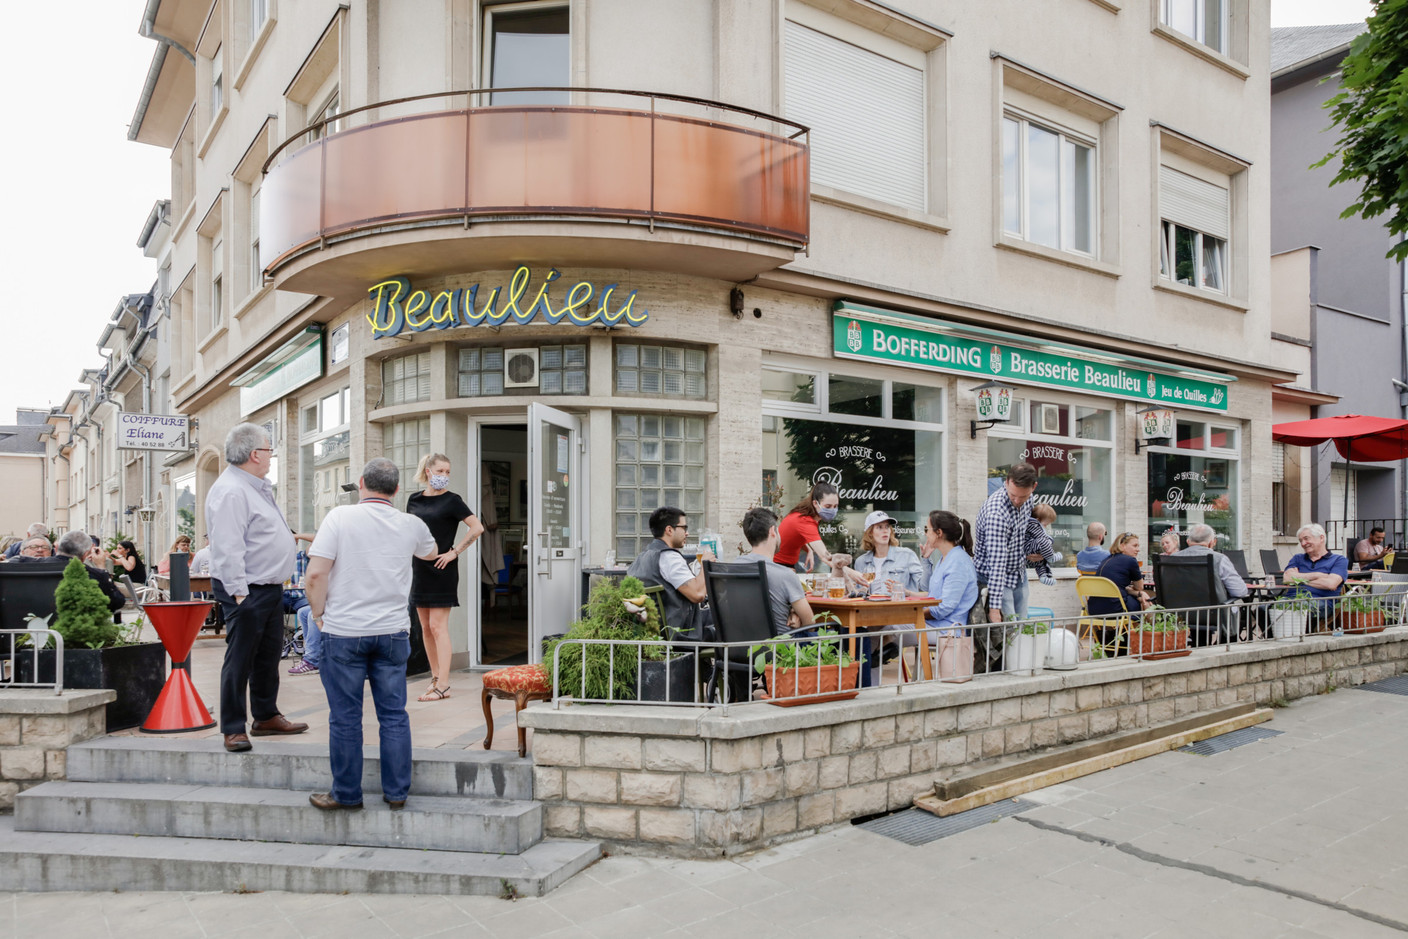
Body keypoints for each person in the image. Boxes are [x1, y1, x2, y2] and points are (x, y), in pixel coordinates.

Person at [304, 457, 440, 811]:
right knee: (394, 714)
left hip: (344, 630)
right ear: (396, 490)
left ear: (361, 483)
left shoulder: (338, 517)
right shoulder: (411, 523)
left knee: (345, 716)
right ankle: (396, 793)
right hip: (392, 632)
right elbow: (431, 553)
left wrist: (318, 615)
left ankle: (347, 794)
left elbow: (316, 575)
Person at [206, 422, 305, 754]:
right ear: (254, 454)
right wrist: (238, 594)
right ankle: (233, 727)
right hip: (245, 588)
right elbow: (227, 546)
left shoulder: (256, 486)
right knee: (240, 659)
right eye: (268, 450)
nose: (271, 456)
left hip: (269, 587)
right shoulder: (232, 490)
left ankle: (265, 716)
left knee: (267, 656)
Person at [406, 453, 484, 702]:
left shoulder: (453, 500)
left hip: (442, 568)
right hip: (419, 568)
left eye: (448, 472)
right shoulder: (413, 500)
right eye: (440, 471)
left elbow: (477, 527)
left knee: (439, 627)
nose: (445, 476)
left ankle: (445, 685)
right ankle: (435, 679)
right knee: (426, 628)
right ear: (428, 472)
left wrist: (454, 553)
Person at [627, 506, 715, 639]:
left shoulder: (641, 558)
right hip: (681, 632)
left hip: (655, 632)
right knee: (728, 617)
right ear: (669, 530)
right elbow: (697, 595)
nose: (687, 533)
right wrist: (705, 565)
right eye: (684, 528)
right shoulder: (669, 558)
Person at [973, 462, 1044, 623]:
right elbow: (997, 564)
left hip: (1018, 573)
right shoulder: (996, 513)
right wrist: (994, 608)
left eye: (1023, 496)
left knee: (1021, 627)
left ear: (1034, 487)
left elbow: (1023, 532)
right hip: (994, 577)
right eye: (1013, 495)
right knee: (1008, 632)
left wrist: (1034, 550)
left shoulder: (1029, 499)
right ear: (1006, 483)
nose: (1018, 500)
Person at [727, 507, 814, 636]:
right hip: (781, 651)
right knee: (840, 635)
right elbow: (810, 624)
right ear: (773, 531)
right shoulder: (785, 574)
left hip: (739, 649)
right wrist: (797, 615)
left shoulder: (732, 568)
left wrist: (791, 611)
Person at [923, 510, 979, 633]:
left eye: (927, 529)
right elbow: (932, 595)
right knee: (885, 627)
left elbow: (945, 607)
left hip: (946, 629)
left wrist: (915, 615)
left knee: (891, 627)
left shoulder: (957, 562)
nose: (926, 534)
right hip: (933, 624)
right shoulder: (946, 559)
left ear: (939, 533)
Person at [851, 511, 927, 598]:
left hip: (902, 609)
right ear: (870, 533)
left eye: (887, 527)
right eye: (879, 527)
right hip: (870, 609)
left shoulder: (907, 555)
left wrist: (926, 559)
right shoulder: (861, 561)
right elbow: (859, 594)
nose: (885, 531)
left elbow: (924, 587)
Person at [52, 530, 127, 613]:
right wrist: (101, 568)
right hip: (80, 622)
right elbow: (116, 602)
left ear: (56, 548)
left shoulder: (37, 566)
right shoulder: (93, 574)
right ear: (85, 554)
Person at [773, 482, 841, 572]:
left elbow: (794, 534)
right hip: (778, 566)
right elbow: (825, 556)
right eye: (828, 506)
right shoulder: (805, 521)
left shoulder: (801, 515)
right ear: (816, 503)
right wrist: (852, 573)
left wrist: (809, 549)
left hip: (783, 565)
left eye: (835, 506)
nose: (832, 510)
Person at [1283, 523, 1348, 613]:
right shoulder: (1297, 558)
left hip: (1320, 602)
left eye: (1306, 539)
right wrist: (1317, 575)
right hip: (1291, 599)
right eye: (1300, 540)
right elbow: (1286, 578)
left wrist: (1297, 578)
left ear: (1321, 538)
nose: (1303, 543)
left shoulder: (1339, 560)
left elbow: (1331, 584)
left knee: (1296, 608)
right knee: (1263, 609)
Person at [1174, 523, 1248, 600]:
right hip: (1214, 610)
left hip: (1176, 610)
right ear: (1212, 542)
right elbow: (1239, 591)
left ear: (1188, 541)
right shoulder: (1219, 559)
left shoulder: (1172, 559)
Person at [1088, 532, 1151, 615]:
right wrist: (1140, 593)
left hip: (1094, 609)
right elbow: (1139, 587)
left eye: (1138, 546)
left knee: (1141, 595)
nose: (1138, 549)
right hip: (1116, 609)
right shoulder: (1130, 560)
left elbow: (1116, 588)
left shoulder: (1106, 560)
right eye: (1135, 546)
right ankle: (1152, 626)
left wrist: (1138, 592)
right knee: (1144, 598)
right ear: (1122, 546)